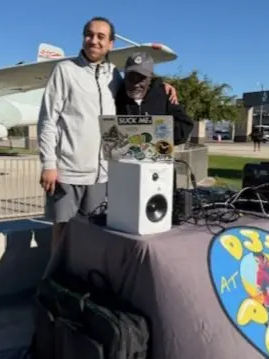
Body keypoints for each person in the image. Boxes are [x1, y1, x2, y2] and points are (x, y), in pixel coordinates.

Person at [37, 17, 179, 252]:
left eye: (101, 36)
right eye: (89, 35)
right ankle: (54, 284)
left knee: (94, 235)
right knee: (62, 233)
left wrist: (164, 86)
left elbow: (139, 86)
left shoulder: (113, 75)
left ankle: (84, 283)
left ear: (111, 44)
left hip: (102, 175)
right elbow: (48, 120)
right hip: (68, 172)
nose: (94, 40)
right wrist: (49, 164)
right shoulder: (65, 71)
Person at [115, 52, 194, 146]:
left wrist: (160, 133)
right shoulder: (116, 94)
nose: (135, 84)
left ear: (150, 78)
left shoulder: (164, 94)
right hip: (124, 158)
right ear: (124, 74)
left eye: (141, 78)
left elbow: (185, 125)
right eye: (131, 77)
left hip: (156, 156)